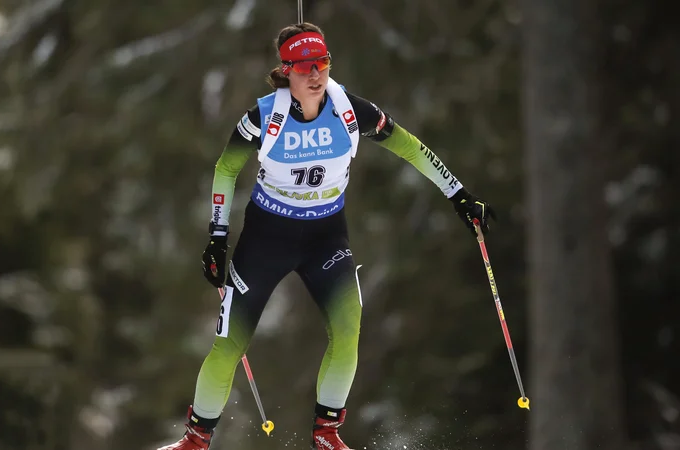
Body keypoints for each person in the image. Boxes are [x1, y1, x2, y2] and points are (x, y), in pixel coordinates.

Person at [157, 22, 496, 450]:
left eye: (322, 63)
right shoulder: (264, 116)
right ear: (286, 72)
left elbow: (410, 146)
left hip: (325, 238)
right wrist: (217, 236)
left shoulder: (350, 110)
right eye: (303, 67)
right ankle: (195, 439)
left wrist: (459, 195)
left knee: (347, 326)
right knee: (229, 344)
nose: (315, 74)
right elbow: (227, 167)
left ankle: (326, 435)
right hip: (267, 238)